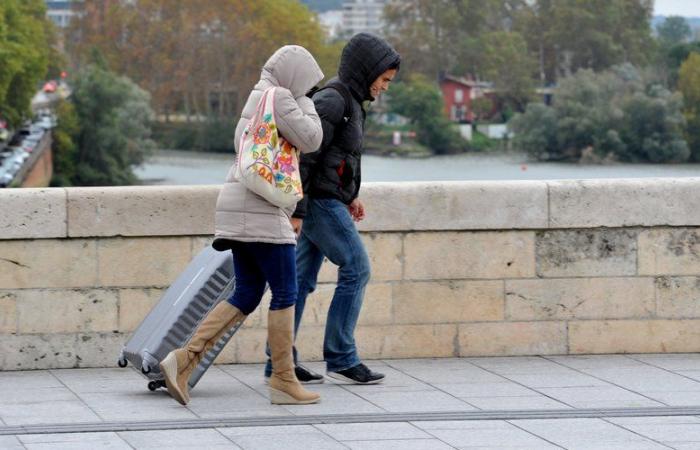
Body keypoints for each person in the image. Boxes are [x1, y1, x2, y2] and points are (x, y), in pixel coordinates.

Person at [160, 45, 324, 406]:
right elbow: (313, 139)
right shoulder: (280, 97)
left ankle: (183, 359)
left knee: (247, 293)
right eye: (308, 82)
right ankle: (283, 379)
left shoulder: (257, 99)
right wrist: (306, 99)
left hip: (238, 206)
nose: (309, 89)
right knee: (285, 291)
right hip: (261, 209)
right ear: (295, 76)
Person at [264, 33, 401, 385]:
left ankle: (279, 362)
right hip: (317, 203)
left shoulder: (352, 101)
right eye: (383, 79)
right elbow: (305, 159)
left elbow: (338, 158)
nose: (385, 87)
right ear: (366, 71)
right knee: (356, 268)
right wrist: (298, 211)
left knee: (299, 281)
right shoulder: (333, 100)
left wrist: (350, 194)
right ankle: (341, 356)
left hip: (326, 199)